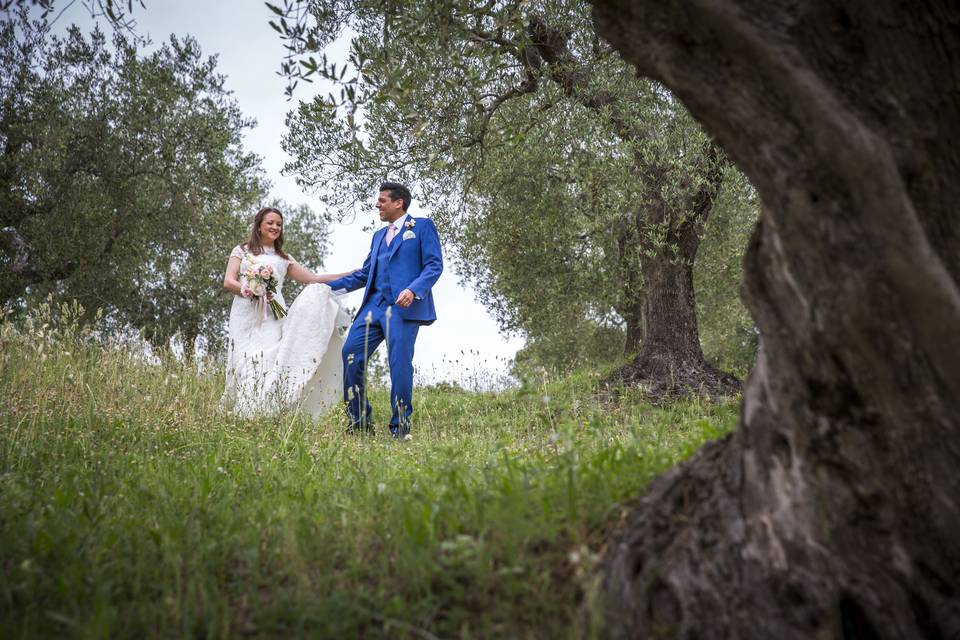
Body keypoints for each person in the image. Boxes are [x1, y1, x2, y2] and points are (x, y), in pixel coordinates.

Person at [327, 182, 443, 439]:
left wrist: (413, 290)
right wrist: (325, 288)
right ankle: (358, 423)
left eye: (382, 200)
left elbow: (434, 266)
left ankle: (400, 428)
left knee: (399, 365)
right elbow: (365, 274)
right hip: (373, 307)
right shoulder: (378, 236)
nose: (377, 205)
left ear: (398, 202)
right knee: (350, 355)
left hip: (404, 309)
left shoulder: (422, 227)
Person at [221, 206, 356, 418]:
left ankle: (260, 410)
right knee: (243, 359)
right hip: (244, 312)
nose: (275, 227)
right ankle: (242, 408)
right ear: (259, 226)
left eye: (279, 224)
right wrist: (250, 291)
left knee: (267, 358)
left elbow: (313, 279)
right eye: (270, 223)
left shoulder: (284, 258)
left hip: (273, 314)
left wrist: (351, 274)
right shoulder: (242, 251)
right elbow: (229, 282)